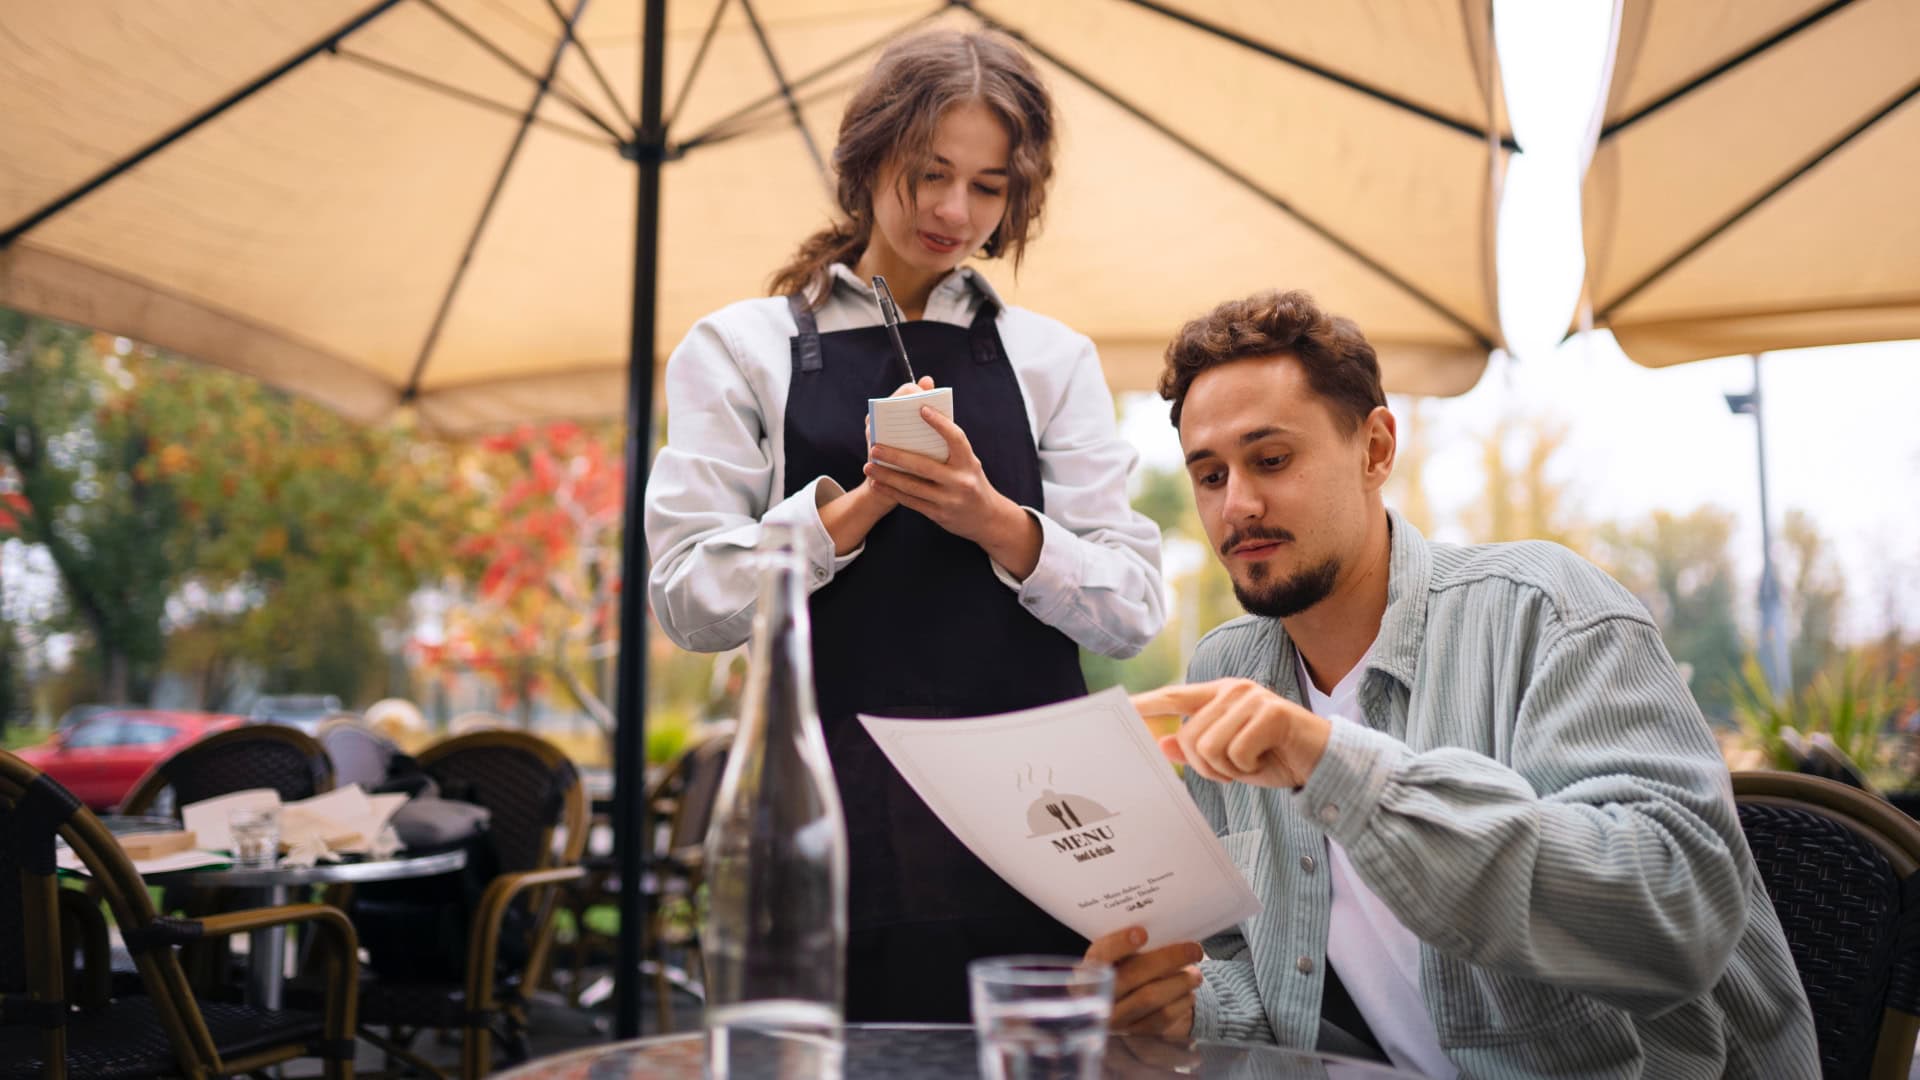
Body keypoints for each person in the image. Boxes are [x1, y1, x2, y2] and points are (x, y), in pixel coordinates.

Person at [1088, 289, 1819, 1075]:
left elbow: (1680, 914)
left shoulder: (1548, 612)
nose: (1238, 505)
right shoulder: (1226, 670)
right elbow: (1259, 973)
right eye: (1208, 475)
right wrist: (1187, 1004)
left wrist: (1338, 767)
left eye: (1271, 460)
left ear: (1374, 450)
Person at [644, 29, 1166, 1022]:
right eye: (929, 173)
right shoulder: (739, 349)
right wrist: (846, 519)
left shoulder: (1053, 361)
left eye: (987, 186)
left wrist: (1000, 525)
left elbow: (1134, 608)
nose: (951, 211)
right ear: (868, 155)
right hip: (828, 812)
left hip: (1042, 823)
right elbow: (686, 599)